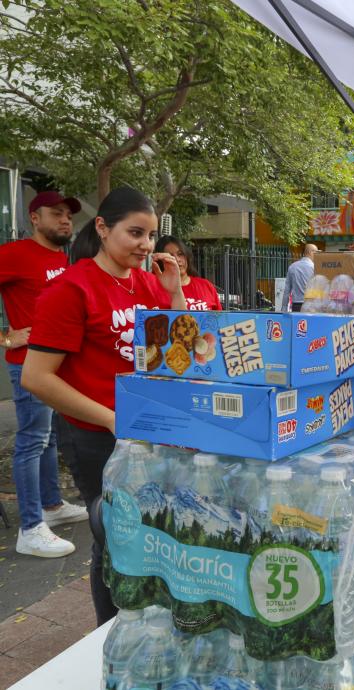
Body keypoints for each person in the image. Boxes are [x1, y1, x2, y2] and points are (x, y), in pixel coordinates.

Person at [23, 186, 186, 624]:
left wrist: (173, 295)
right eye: (135, 232)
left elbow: (179, 355)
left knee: (154, 531)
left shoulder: (147, 283)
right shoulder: (71, 289)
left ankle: (147, 623)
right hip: (96, 435)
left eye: (150, 235)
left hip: (146, 430)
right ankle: (109, 635)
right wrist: (114, 419)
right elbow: (36, 377)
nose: (146, 245)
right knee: (115, 537)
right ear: (102, 227)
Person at [0, 191, 88, 558]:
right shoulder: (15, 254)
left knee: (49, 437)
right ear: (35, 218)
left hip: (59, 366)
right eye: (56, 214)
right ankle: (30, 527)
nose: (65, 220)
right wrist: (5, 337)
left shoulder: (63, 258)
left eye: (68, 215)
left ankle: (52, 507)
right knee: (33, 440)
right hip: (28, 362)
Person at [154, 235, 221, 310]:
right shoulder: (152, 288)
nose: (177, 259)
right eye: (170, 256)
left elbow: (220, 319)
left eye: (180, 254)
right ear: (160, 261)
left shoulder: (206, 286)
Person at [281, 243, 318, 312]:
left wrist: (284, 307)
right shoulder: (315, 268)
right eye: (316, 252)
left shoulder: (292, 267)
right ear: (311, 252)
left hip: (296, 305)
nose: (317, 255)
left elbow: (287, 290)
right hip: (311, 305)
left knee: (297, 323)